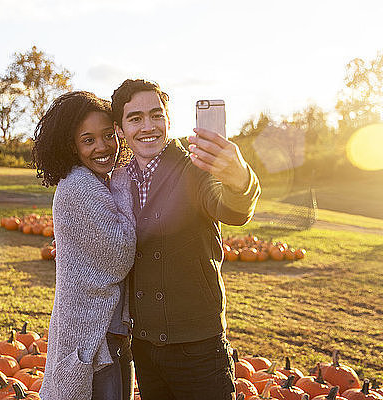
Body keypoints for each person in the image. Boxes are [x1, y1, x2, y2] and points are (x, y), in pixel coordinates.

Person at [111, 79, 261, 400]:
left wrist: (240, 179)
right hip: (146, 347)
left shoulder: (195, 167)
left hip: (198, 349)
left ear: (168, 118)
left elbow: (231, 209)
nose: (147, 126)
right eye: (135, 118)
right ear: (121, 130)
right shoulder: (120, 180)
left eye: (156, 114)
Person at [33, 91, 136, 400]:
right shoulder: (79, 185)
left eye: (108, 135)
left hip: (108, 330)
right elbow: (120, 253)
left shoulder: (94, 181)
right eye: (88, 140)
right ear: (72, 146)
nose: (102, 147)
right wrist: (122, 183)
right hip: (93, 336)